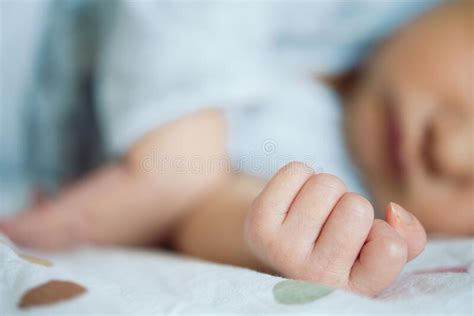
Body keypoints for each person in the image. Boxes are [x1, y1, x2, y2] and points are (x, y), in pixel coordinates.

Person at [0, 1, 471, 297]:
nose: (449, 151)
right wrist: (171, 166)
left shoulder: (350, 190)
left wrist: (275, 239)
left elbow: (199, 213)